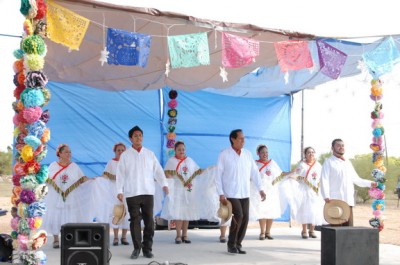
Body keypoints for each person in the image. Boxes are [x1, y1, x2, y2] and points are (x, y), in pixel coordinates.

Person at [116, 126, 169, 259]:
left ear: (142, 137)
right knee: (135, 221)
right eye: (135, 135)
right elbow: (120, 174)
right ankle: (136, 248)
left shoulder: (149, 154)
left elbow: (158, 170)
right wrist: (119, 190)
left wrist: (164, 184)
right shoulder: (125, 155)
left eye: (140, 135)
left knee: (149, 222)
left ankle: (147, 249)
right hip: (131, 192)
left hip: (147, 192)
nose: (138, 138)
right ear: (130, 138)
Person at [215, 129, 266, 254]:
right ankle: (231, 244)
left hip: (245, 192)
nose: (243, 140)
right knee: (239, 215)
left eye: (244, 138)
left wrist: (261, 189)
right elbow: (218, 175)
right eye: (240, 138)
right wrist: (220, 193)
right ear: (233, 139)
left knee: (245, 218)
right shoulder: (224, 154)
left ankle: (238, 244)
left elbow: (255, 172)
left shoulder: (247, 154)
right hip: (230, 192)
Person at [42, 144, 92, 248]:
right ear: (59, 154)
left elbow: (81, 178)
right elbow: (47, 179)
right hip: (56, 196)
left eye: (70, 152)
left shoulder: (74, 166)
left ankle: (68, 239)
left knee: (69, 216)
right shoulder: (53, 165)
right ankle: (56, 239)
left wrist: (93, 180)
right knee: (55, 216)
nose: (69, 154)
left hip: (70, 196)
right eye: (66, 152)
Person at [320, 139, 376, 226]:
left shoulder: (347, 162)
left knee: (348, 229)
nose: (341, 147)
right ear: (332, 148)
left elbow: (355, 179)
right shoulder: (328, 162)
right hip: (335, 200)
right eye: (338, 145)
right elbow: (324, 179)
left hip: (348, 201)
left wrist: (369, 183)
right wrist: (326, 195)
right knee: (336, 229)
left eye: (342, 145)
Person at [161, 141, 203, 244]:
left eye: (183, 149)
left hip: (188, 190)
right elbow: (167, 175)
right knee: (179, 213)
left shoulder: (189, 160)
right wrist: (170, 181)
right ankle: (178, 236)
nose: (181, 151)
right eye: (179, 149)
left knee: (186, 213)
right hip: (178, 190)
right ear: (175, 150)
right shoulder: (171, 161)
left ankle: (185, 235)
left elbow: (197, 172)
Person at [94, 142, 130, 246]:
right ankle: (115, 237)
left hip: (127, 190)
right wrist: (99, 180)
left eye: (122, 150)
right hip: (114, 191)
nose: (120, 152)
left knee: (127, 213)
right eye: (118, 150)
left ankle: (124, 237)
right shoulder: (111, 163)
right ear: (115, 152)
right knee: (116, 213)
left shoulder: (128, 162)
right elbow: (105, 176)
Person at [289, 147, 324, 239]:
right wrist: (301, 179)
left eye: (312, 152)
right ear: (305, 154)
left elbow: (321, 177)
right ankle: (304, 230)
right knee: (305, 210)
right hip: (304, 189)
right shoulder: (302, 165)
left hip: (315, 190)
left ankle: (312, 230)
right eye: (308, 152)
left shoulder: (318, 165)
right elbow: (296, 176)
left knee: (314, 210)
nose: (311, 154)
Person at [250, 144, 283, 240]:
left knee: (270, 211)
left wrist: (290, 173)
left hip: (271, 190)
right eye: (263, 152)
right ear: (258, 153)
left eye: (266, 152)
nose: (265, 154)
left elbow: (279, 175)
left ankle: (268, 232)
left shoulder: (272, 163)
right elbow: (251, 177)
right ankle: (262, 232)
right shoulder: (255, 164)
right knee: (262, 211)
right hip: (260, 191)